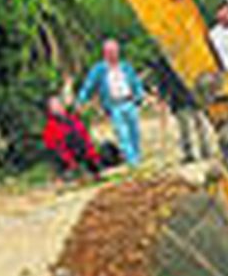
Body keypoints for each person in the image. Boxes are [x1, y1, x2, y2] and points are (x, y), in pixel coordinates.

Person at [77, 39, 146, 167]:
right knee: (122, 133)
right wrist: (81, 100)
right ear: (105, 53)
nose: (113, 54)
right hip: (114, 105)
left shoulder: (125, 67)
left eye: (115, 51)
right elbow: (88, 85)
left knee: (134, 131)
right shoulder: (99, 69)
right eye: (110, 52)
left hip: (129, 102)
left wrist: (140, 95)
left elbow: (135, 82)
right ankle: (132, 162)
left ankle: (137, 156)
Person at [153, 57, 211, 163]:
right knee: (185, 128)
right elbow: (162, 81)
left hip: (193, 96)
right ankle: (189, 153)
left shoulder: (186, 55)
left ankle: (205, 150)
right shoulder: (163, 62)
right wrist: (162, 98)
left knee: (200, 125)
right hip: (178, 99)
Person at [41, 95, 102, 180]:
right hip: (66, 159)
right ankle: (70, 174)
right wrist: (70, 161)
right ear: (50, 109)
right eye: (55, 105)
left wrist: (92, 154)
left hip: (80, 152)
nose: (59, 106)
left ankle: (92, 170)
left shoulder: (73, 119)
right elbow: (57, 149)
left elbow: (85, 137)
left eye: (59, 103)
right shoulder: (49, 128)